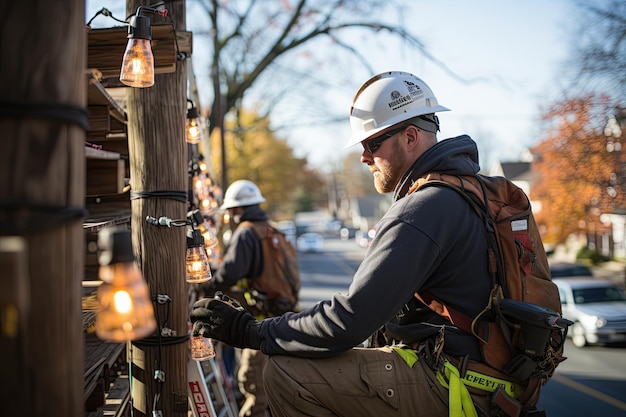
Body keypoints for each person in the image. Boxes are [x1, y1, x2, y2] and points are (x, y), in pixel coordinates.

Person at [190, 71, 530, 417]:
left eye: (372, 144)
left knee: (286, 372)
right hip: (490, 382)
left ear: (410, 136)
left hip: (456, 386)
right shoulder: (473, 192)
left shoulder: (423, 209)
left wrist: (250, 331)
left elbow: (348, 321)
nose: (364, 157)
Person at [203, 179, 274, 417]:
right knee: (266, 377)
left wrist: (209, 284)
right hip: (277, 314)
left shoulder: (246, 233)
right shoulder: (268, 229)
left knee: (252, 379)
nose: (231, 215)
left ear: (239, 209)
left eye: (232, 210)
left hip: (261, 316)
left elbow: (231, 270)